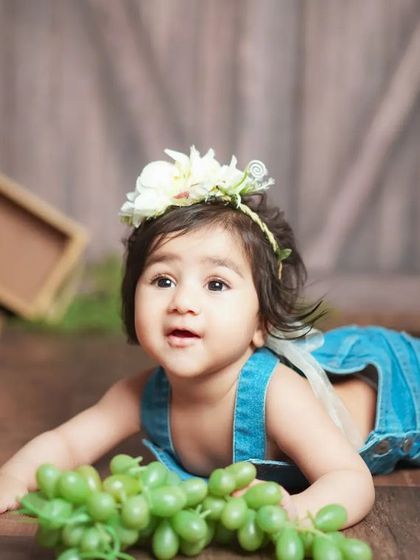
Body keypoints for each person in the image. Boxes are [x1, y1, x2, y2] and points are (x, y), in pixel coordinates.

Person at [0, 147, 419, 528]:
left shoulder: (277, 395)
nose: (182, 301)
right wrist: (15, 477)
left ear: (262, 323)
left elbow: (349, 480)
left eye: (216, 285)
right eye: (163, 280)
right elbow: (67, 443)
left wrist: (297, 512)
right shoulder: (140, 395)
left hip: (402, 389)